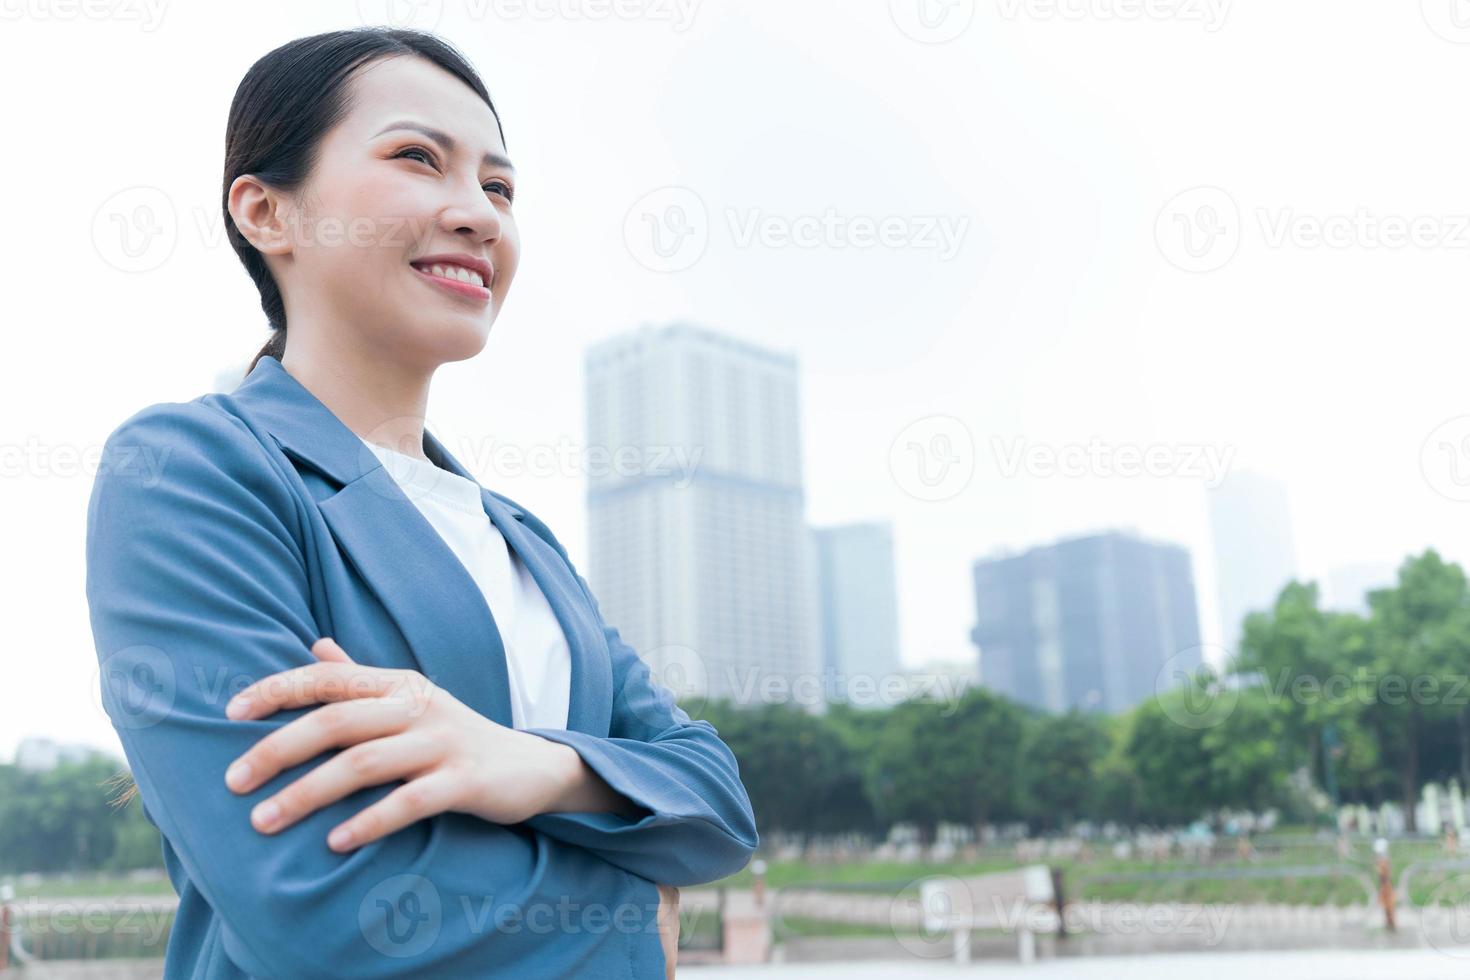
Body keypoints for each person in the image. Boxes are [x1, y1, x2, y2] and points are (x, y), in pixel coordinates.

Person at [84, 27, 758, 979]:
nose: (479, 215)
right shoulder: (193, 468)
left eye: (500, 187)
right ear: (267, 212)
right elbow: (315, 902)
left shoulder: (520, 539)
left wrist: (530, 764)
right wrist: (635, 912)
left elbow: (718, 803)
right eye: (416, 158)